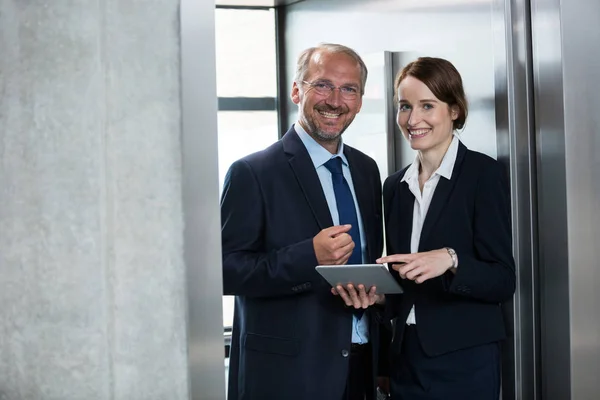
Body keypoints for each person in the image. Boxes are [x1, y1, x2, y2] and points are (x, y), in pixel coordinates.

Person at [221, 43, 387, 400]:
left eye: (349, 89)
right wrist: (308, 256)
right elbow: (224, 271)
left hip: (360, 368)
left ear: (359, 100)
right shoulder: (252, 173)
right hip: (287, 377)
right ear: (297, 90)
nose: (335, 100)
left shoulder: (366, 170)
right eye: (323, 85)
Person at [376, 57, 516, 399]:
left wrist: (452, 259)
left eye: (427, 105)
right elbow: (403, 282)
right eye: (405, 106)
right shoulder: (395, 186)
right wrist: (377, 292)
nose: (413, 119)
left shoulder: (483, 175)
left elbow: (502, 279)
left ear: (454, 110)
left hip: (464, 360)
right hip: (406, 359)